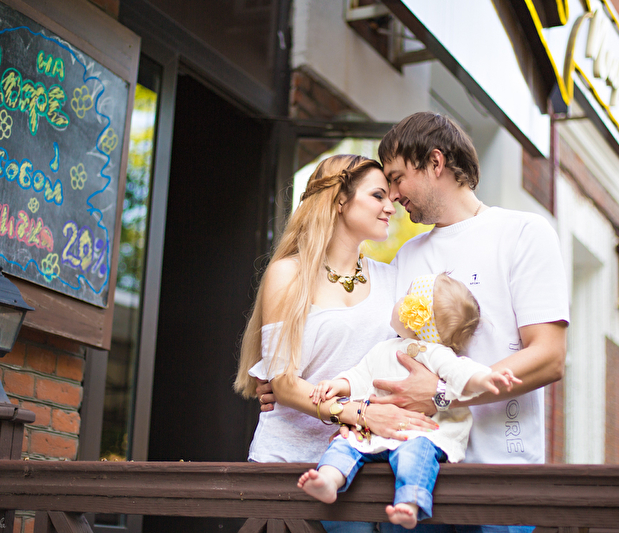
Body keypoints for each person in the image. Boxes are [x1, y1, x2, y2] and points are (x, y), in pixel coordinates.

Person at [372, 112, 570, 533]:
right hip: (414, 478)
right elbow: (388, 348)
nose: (393, 195)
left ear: (435, 162)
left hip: (501, 479)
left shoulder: (523, 233)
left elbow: (549, 357)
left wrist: (443, 395)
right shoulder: (407, 255)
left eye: (397, 178)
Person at [234, 154, 437, 533]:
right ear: (341, 199)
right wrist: (361, 413)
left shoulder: (393, 278)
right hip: (288, 465)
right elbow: (283, 383)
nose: (390, 207)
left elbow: (407, 361)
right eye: (378, 195)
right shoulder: (287, 274)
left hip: (362, 466)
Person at [298, 273, 520, 529]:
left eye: (406, 297)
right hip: (375, 433)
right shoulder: (385, 348)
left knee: (416, 455)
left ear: (413, 316)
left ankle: (410, 502)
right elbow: (361, 375)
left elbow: (460, 372)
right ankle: (329, 480)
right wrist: (338, 385)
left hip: (418, 433)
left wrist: (484, 378)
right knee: (344, 443)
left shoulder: (435, 353)